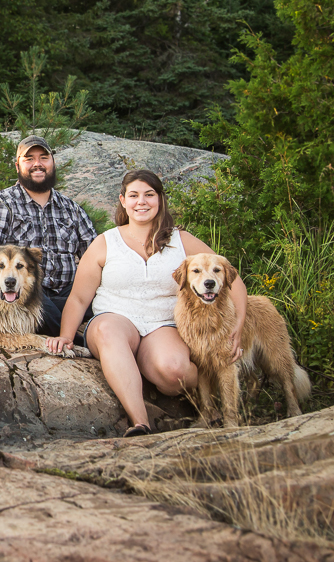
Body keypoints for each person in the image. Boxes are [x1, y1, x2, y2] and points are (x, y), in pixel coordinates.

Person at [45, 169, 248, 437]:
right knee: (108, 332)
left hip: (162, 324)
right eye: (134, 195)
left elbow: (234, 282)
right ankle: (141, 424)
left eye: (149, 195)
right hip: (114, 319)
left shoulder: (181, 240)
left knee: (176, 371)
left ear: (160, 200)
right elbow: (80, 297)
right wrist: (66, 337)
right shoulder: (105, 242)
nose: (141, 202)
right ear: (123, 201)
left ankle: (139, 365)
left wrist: (239, 326)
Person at [0, 135, 97, 336]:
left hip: (69, 291)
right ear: (18, 166)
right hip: (25, 291)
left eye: (44, 157)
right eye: (29, 159)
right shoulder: (3, 203)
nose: (37, 164)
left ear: (52, 162)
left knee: (100, 300)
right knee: (36, 303)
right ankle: (79, 340)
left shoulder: (71, 209)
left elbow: (94, 253)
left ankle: (65, 322)